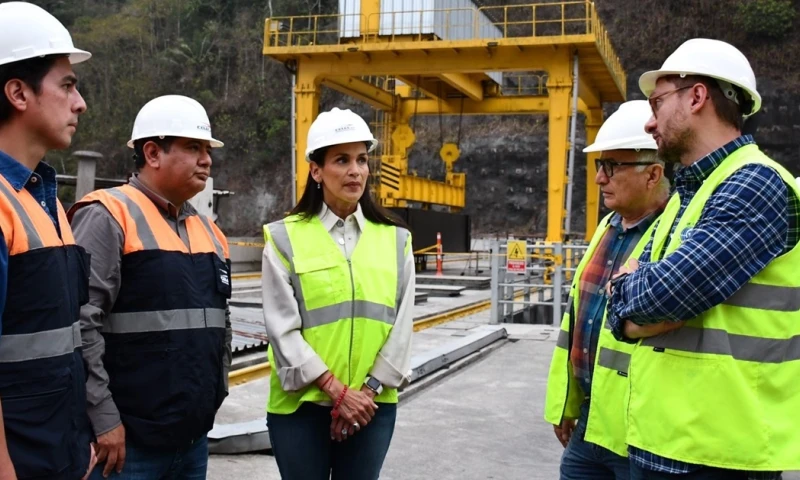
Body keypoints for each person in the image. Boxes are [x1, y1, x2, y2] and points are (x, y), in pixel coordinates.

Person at [606, 38, 800, 479]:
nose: (651, 124)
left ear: (696, 97)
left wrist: (635, 296)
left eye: (657, 103)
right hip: (665, 441)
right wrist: (631, 302)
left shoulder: (755, 185)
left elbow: (662, 297)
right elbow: (624, 303)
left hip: (721, 455)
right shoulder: (688, 195)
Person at [68, 95, 232, 479]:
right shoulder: (108, 217)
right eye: (193, 148)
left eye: (207, 149)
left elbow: (221, 324)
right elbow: (80, 324)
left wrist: (214, 396)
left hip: (192, 441)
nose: (206, 160)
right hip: (127, 446)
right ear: (153, 152)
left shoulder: (210, 232)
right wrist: (104, 419)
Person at [261, 107, 414, 480]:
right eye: (342, 160)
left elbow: (402, 325)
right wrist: (336, 392)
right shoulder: (284, 237)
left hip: (371, 404)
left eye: (362, 159)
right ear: (316, 170)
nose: (355, 170)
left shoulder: (395, 239)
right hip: (302, 406)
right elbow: (282, 329)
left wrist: (365, 393)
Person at [544, 100, 671, 480]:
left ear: (653, 175)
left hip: (641, 435)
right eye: (600, 166)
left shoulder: (676, 235)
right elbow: (580, 323)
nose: (600, 178)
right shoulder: (608, 228)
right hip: (590, 425)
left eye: (611, 167)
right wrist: (569, 405)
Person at [0, 2, 97, 479]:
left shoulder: (45, 199)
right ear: (18, 92)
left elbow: (61, 339)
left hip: (60, 453)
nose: (79, 103)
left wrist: (80, 440)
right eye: (67, 85)